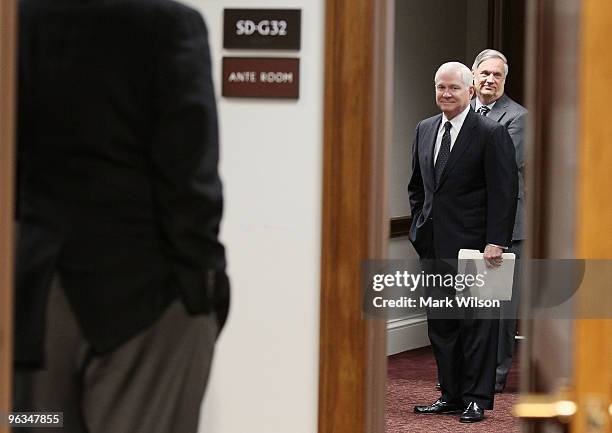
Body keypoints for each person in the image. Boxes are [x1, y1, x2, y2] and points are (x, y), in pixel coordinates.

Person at [14, 1, 229, 432]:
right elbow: (189, 175)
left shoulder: (16, 20)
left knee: (33, 422)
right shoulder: (168, 24)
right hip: (147, 294)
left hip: (36, 296)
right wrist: (203, 287)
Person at [408, 62, 517, 422]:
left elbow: (504, 191)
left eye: (453, 88)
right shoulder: (425, 129)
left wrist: (496, 241)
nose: (446, 94)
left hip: (476, 248)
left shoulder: (489, 132)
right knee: (441, 324)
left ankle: (475, 398)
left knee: (476, 325)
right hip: (433, 246)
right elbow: (417, 187)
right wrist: (419, 227)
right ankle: (451, 394)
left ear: (470, 91)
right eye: (441, 87)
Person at [471, 48, 528, 393]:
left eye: (498, 75)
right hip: (468, 221)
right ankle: (467, 372)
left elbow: (503, 168)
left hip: (507, 224)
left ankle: (494, 375)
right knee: (471, 301)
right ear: (473, 77)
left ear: (504, 80)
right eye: (485, 74)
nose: (490, 80)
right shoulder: (460, 110)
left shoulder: (518, 117)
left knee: (501, 305)